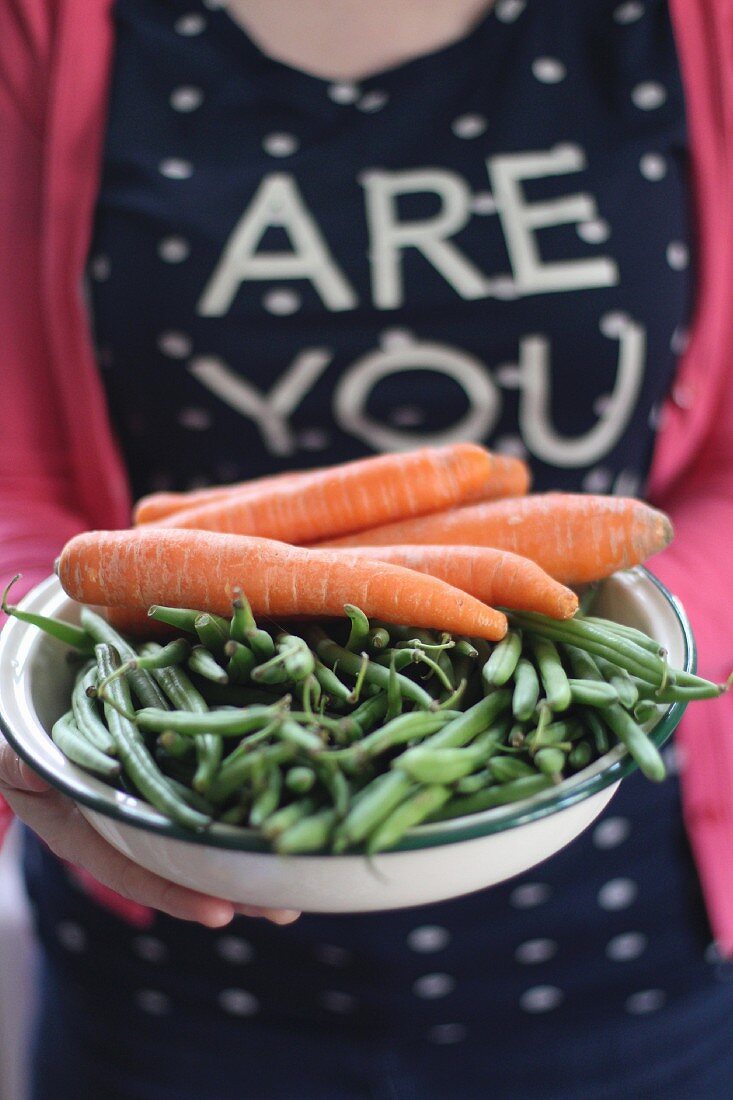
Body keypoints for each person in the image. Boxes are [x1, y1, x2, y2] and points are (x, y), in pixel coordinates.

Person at [2, 1, 733, 1096]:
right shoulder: (37, 28)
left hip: (624, 963)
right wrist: (21, 676)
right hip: (173, 974)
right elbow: (14, 470)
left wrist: (603, 641)